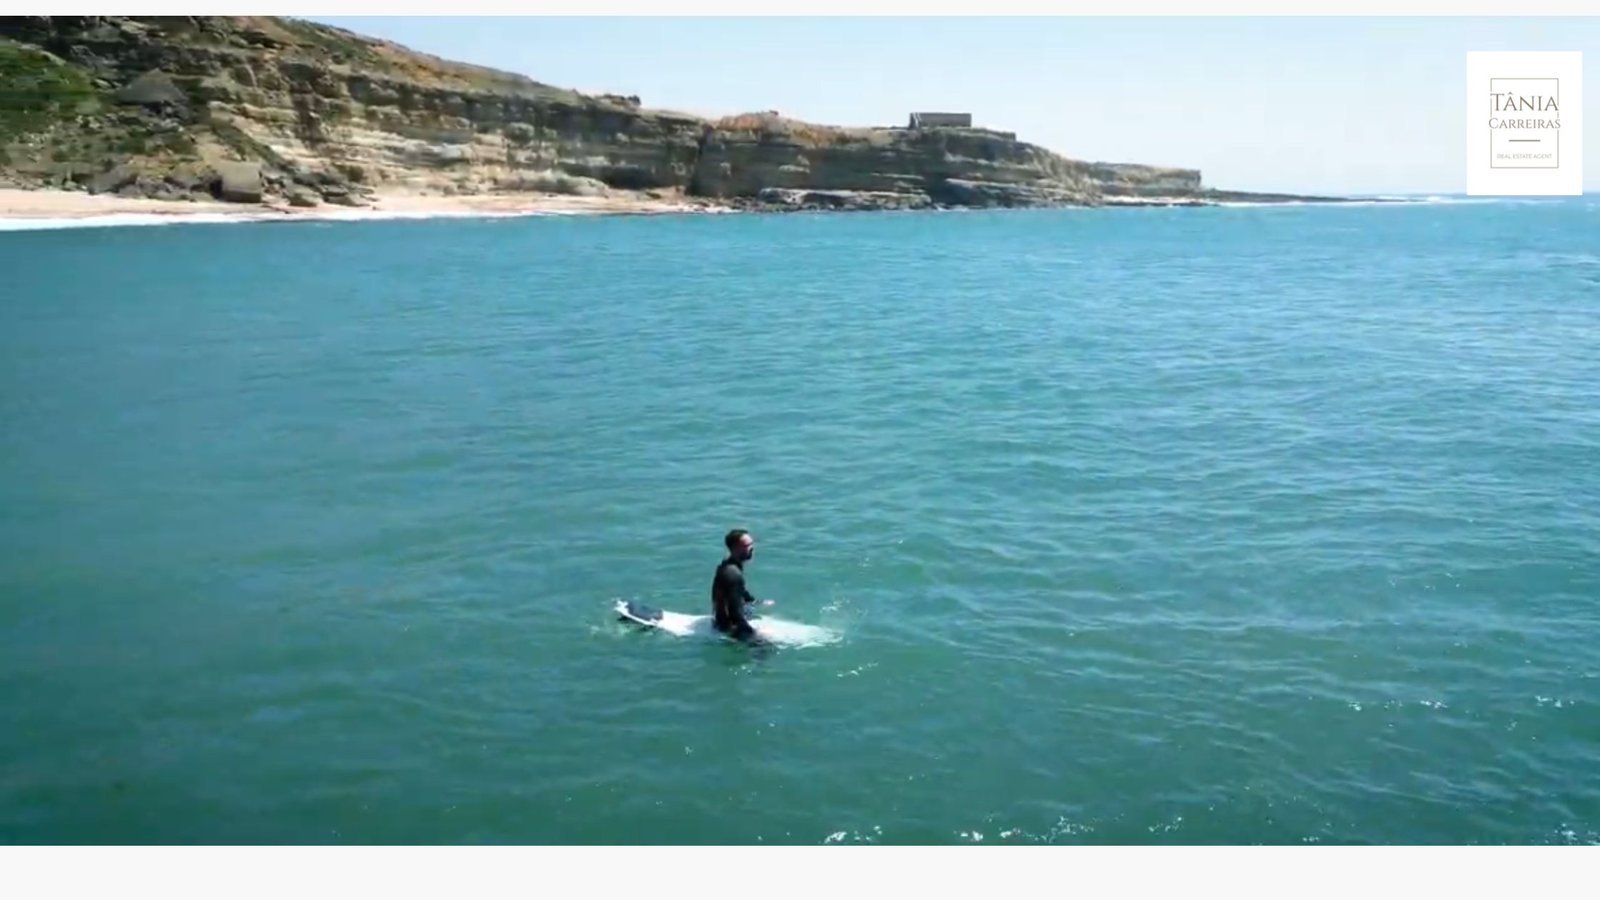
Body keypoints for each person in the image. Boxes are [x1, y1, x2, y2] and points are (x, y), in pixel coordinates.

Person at [711, 528, 771, 640]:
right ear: (735, 548)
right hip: (727, 627)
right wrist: (755, 636)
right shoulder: (733, 574)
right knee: (769, 647)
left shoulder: (728, 565)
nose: (752, 548)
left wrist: (753, 601)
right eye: (747, 545)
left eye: (752, 544)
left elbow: (739, 591)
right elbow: (734, 614)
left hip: (720, 619)